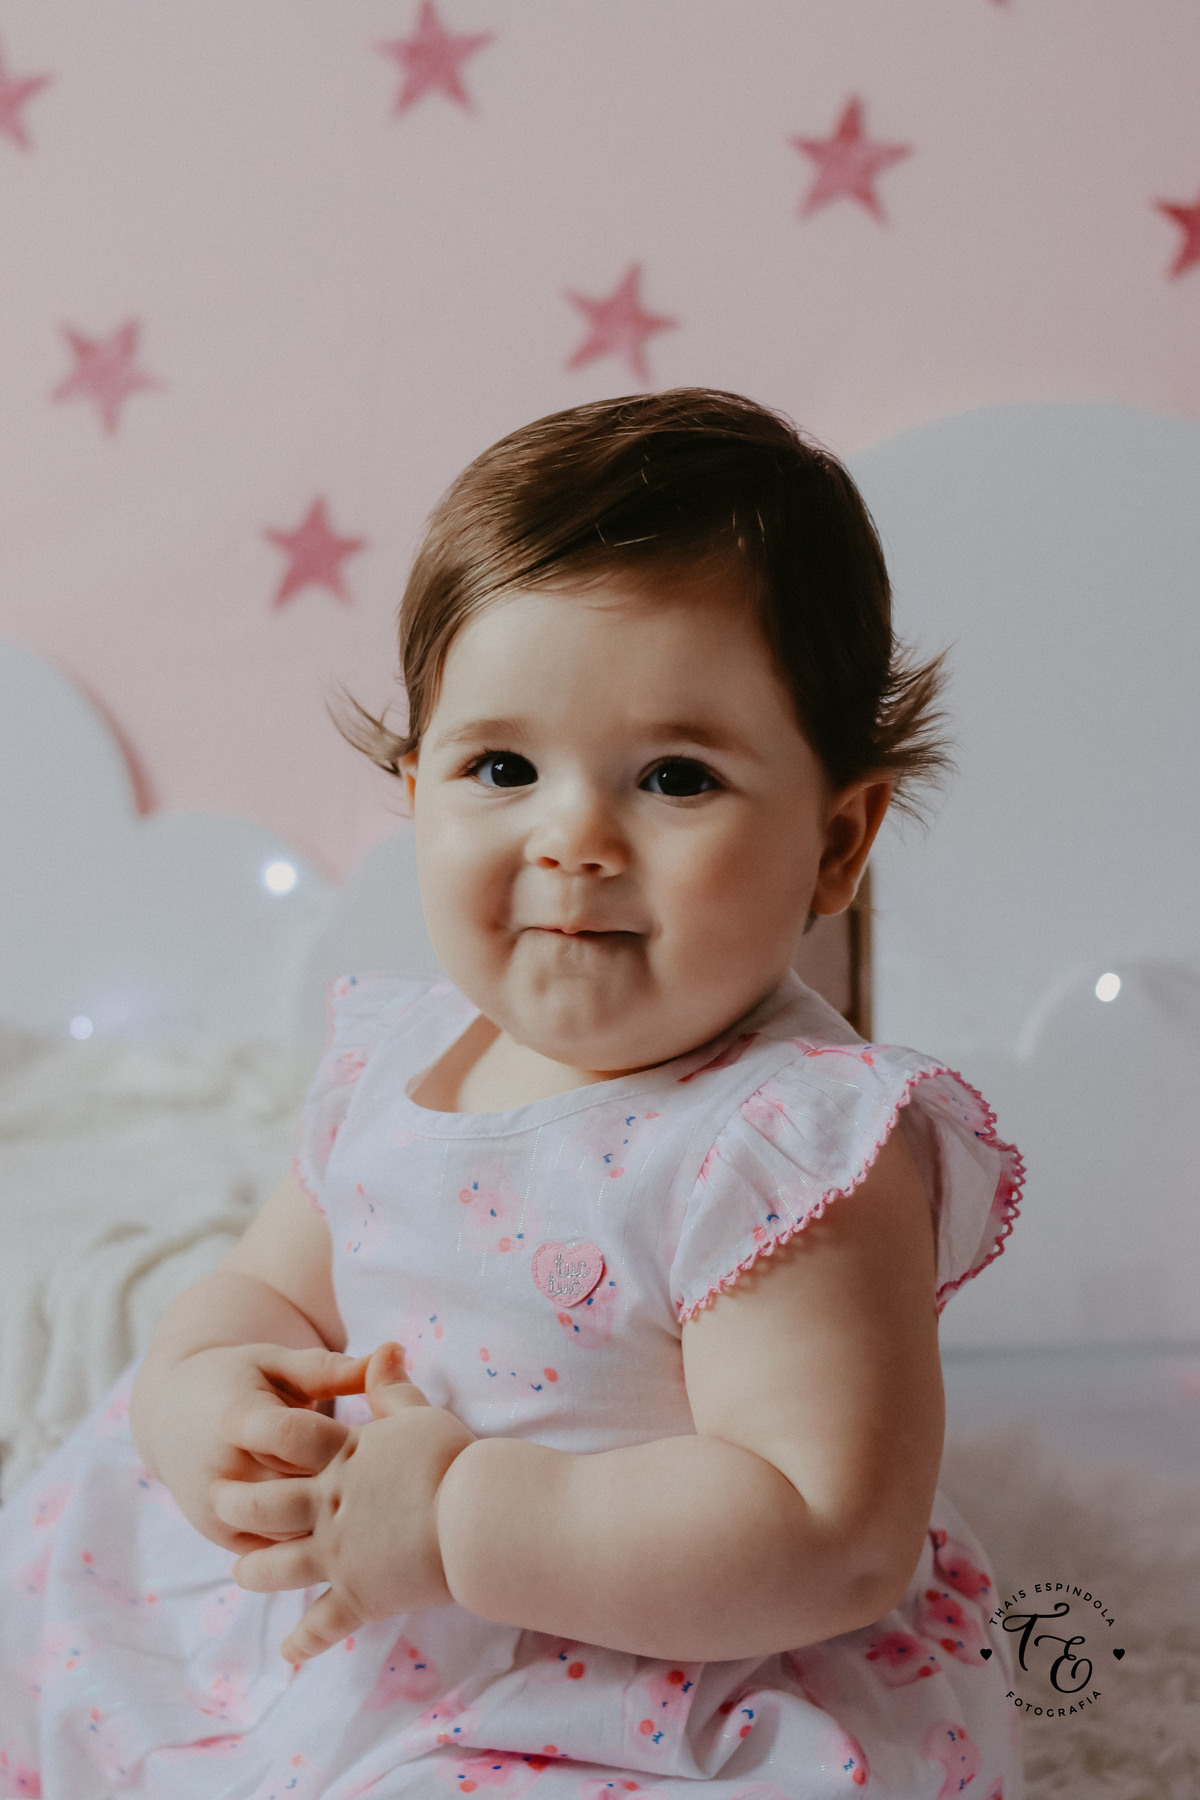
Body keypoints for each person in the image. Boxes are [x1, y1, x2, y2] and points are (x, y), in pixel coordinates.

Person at [0, 389, 1025, 1798]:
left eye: (675, 777)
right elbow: (270, 1288)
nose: (574, 837)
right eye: (502, 767)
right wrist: (207, 1396)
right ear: (416, 787)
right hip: (363, 1577)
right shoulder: (397, 1057)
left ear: (837, 840)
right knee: (77, 1563)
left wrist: (459, 1518)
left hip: (642, 1666)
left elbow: (825, 1531)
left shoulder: (788, 1147)